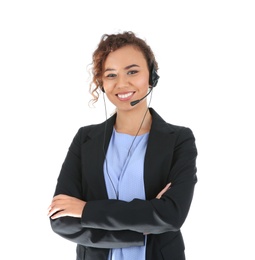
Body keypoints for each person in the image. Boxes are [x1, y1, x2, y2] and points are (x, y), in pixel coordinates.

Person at [48, 31, 198, 260]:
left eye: (132, 71)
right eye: (111, 75)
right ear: (101, 83)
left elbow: (171, 215)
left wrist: (86, 210)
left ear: (152, 76)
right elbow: (61, 219)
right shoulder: (85, 139)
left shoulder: (179, 139)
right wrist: (141, 227)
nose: (122, 83)